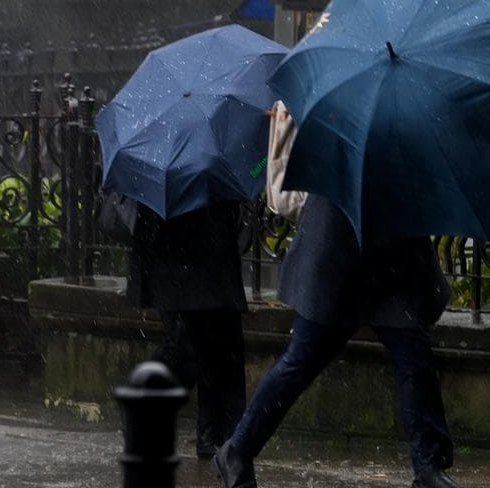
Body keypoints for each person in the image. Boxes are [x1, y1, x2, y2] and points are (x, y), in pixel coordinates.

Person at [213, 194, 460, 488]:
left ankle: (428, 466)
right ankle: (237, 451)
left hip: (394, 251)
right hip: (338, 245)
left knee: (415, 360)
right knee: (302, 360)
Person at [127, 199, 248, 461]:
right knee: (192, 345)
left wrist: (259, 169)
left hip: (204, 249)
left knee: (216, 345)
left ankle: (217, 437)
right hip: (178, 250)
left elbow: (258, 168)